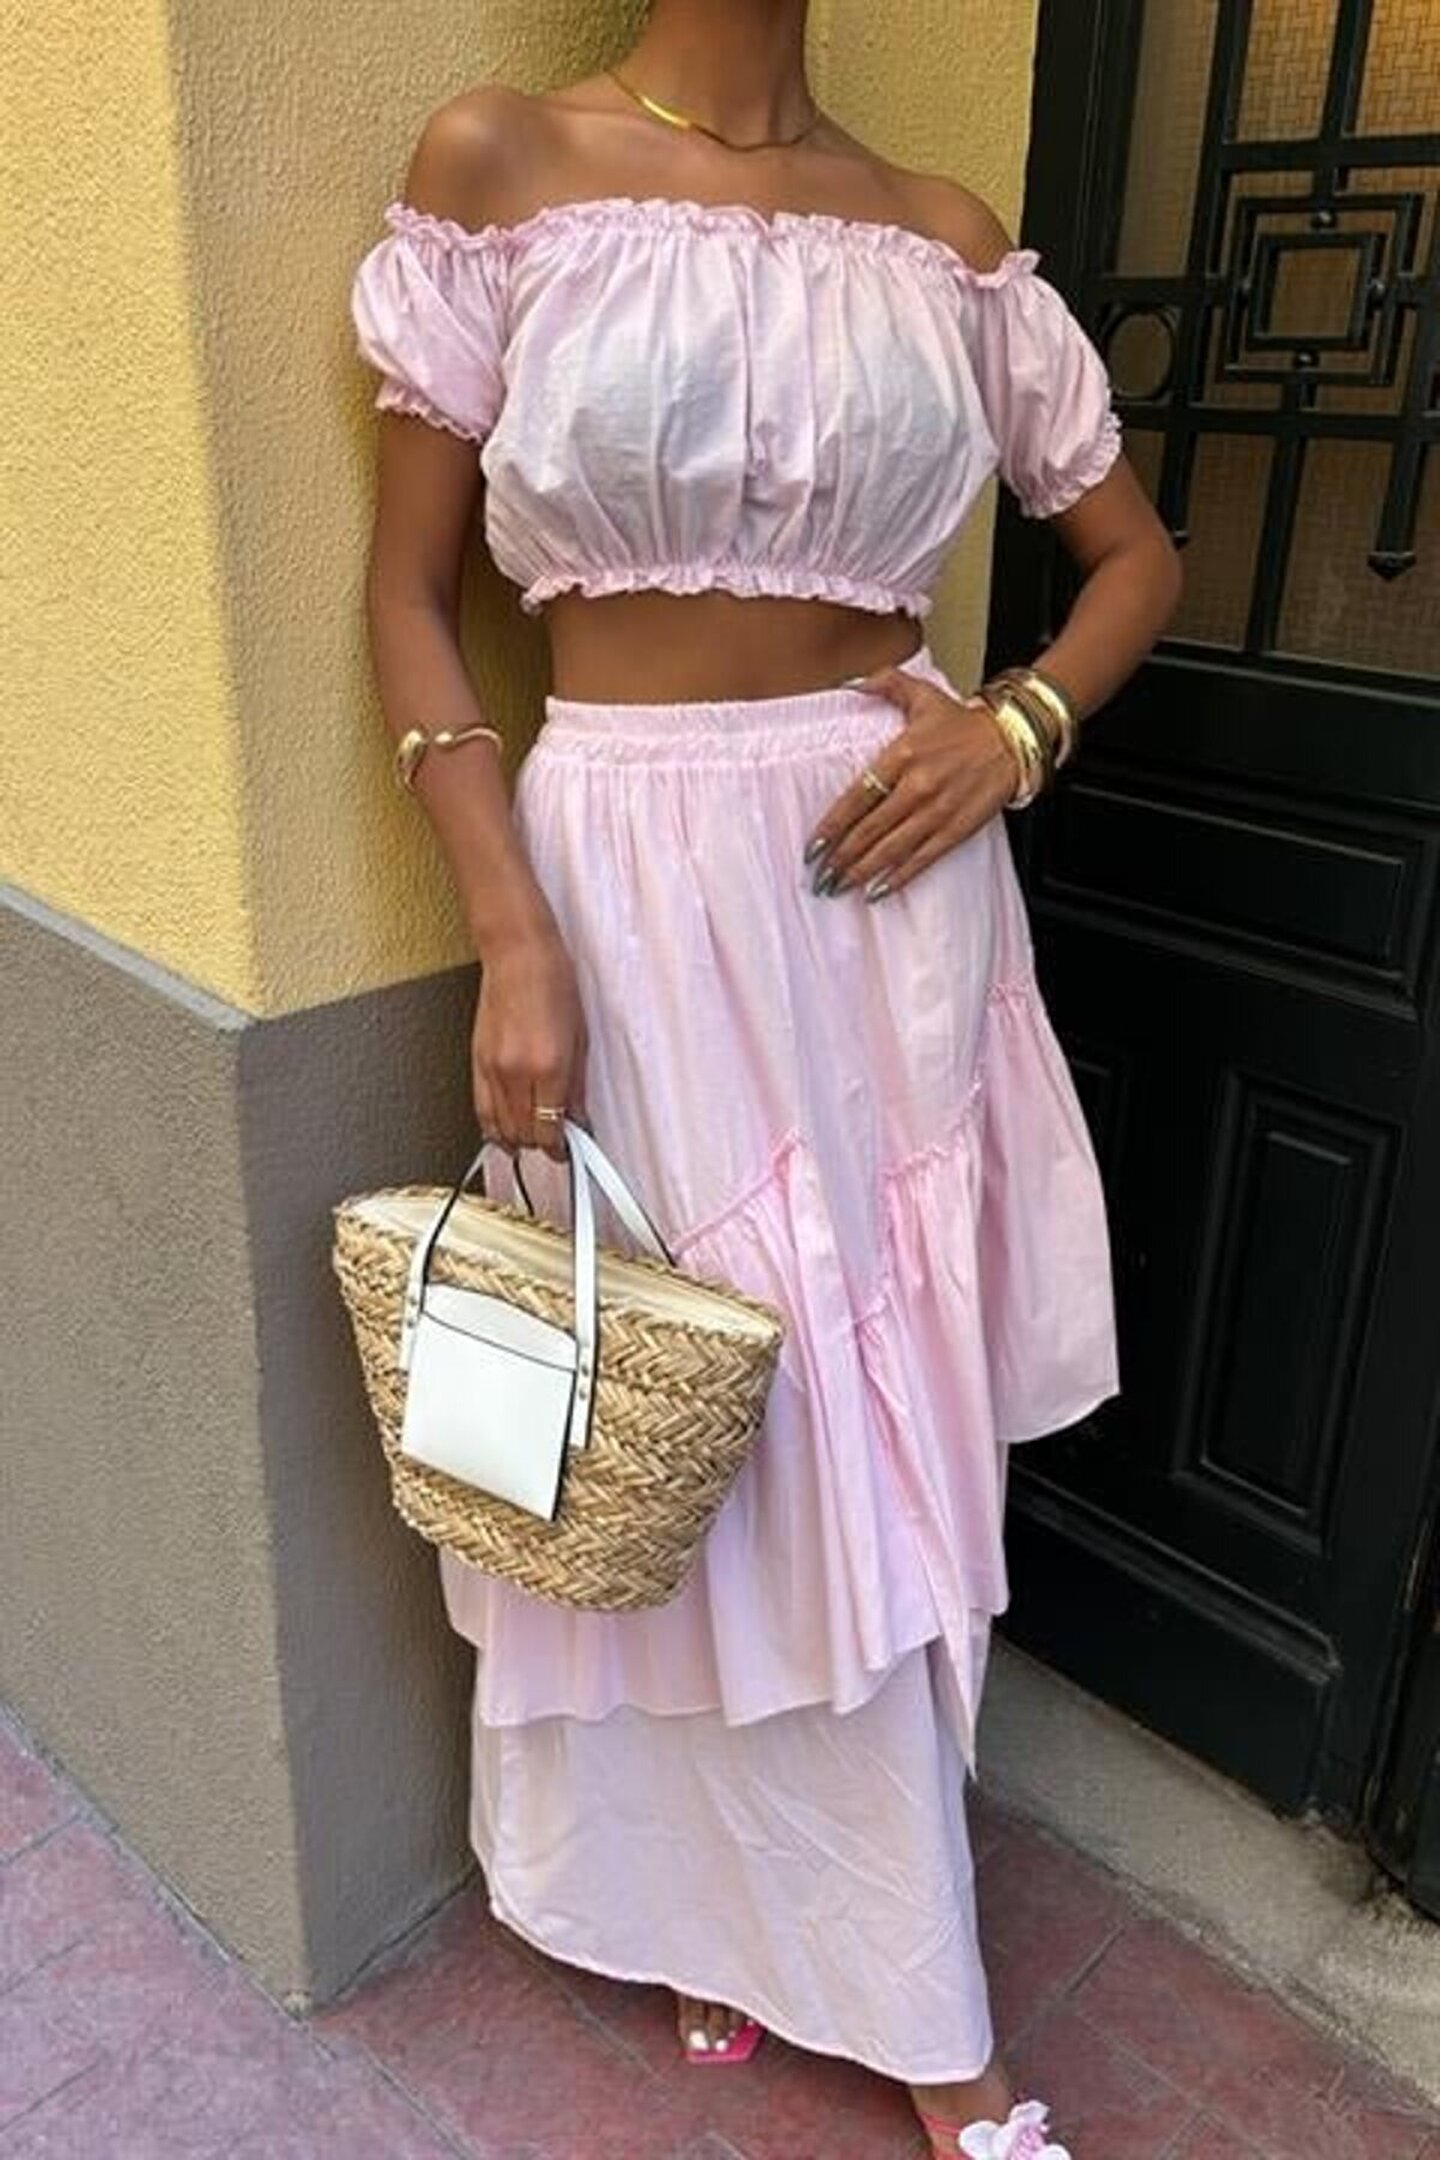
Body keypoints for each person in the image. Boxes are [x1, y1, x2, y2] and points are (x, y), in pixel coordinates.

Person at [349, 3, 1182, 2153]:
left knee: (859, 1424)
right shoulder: (501, 168)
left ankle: (920, 2008)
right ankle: (702, 1903)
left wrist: (1016, 732)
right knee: (688, 1401)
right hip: (624, 871)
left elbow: (1136, 557)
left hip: (889, 883)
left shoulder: (940, 235)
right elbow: (408, 599)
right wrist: (511, 927)